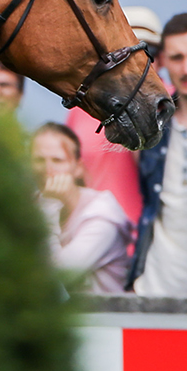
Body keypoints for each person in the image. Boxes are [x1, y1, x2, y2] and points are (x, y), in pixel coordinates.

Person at [64, 6, 163, 226]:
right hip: (89, 241)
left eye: (148, 51)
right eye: (124, 53)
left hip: (150, 246)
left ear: (163, 58)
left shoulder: (173, 107)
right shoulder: (83, 109)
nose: (137, 63)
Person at [31, 122, 132, 293]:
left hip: (106, 316)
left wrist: (49, 206)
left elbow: (59, 276)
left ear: (77, 167)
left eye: (58, 160)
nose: (48, 170)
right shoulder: (31, 205)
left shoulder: (101, 215)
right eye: (39, 160)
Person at [130, 13, 187, 295]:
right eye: (177, 58)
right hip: (157, 285)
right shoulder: (154, 123)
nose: (186, 68)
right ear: (164, 61)